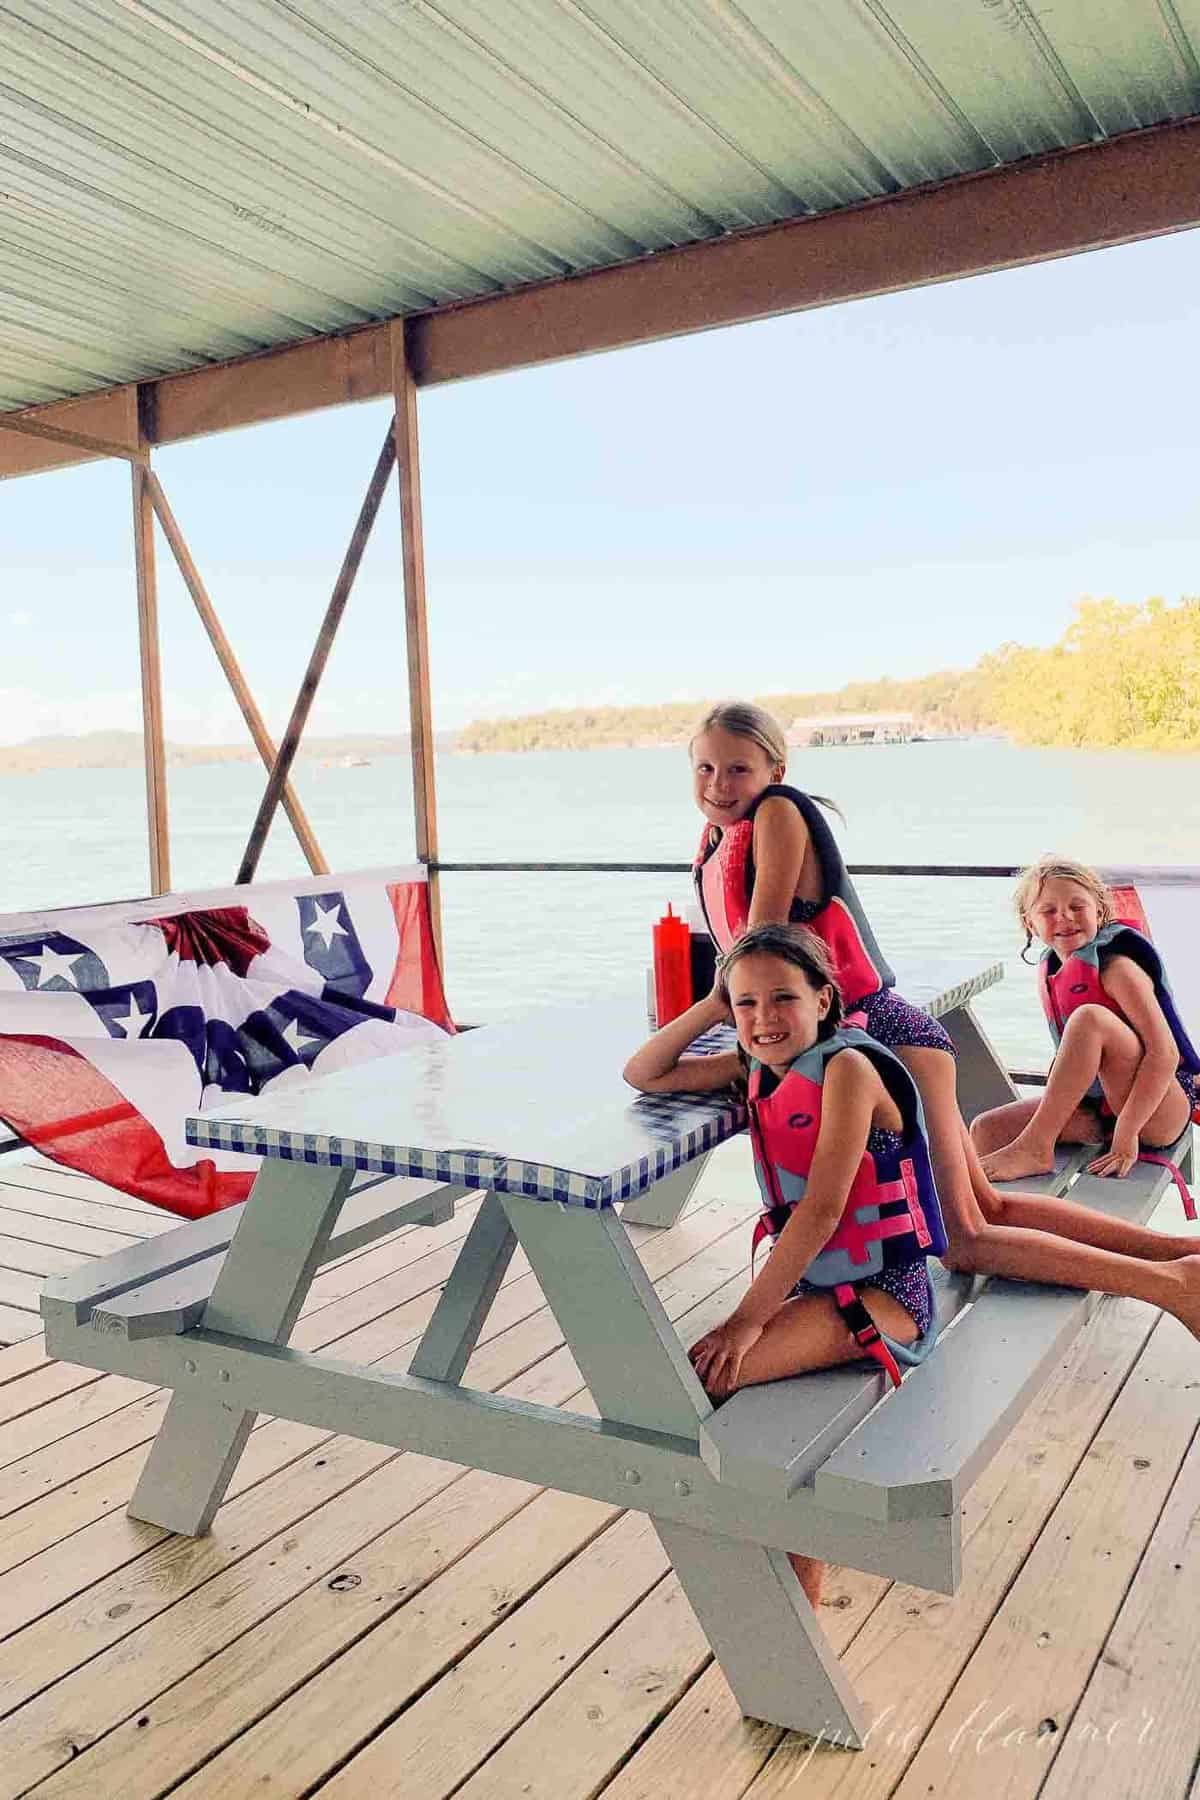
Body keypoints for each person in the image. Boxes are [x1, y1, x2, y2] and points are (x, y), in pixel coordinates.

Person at [683, 701, 1200, 1331]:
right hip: (892, 1035)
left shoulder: (780, 812)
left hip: (882, 1042)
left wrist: (724, 1039)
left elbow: (760, 943)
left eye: (738, 769)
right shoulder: (727, 834)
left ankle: (1170, 1286)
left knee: (964, 1236)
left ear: (776, 768)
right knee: (987, 1209)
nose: (718, 785)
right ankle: (1182, 1254)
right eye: (705, 768)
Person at [623, 922, 948, 1607]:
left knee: (703, 1378)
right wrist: (714, 1005)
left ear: (824, 1000)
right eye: (747, 1004)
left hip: (885, 1294)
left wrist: (746, 1322)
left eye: (783, 999)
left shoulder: (849, 1069)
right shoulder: (757, 1066)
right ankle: (785, 1583)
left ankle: (789, 1594)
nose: (764, 1019)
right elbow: (643, 1073)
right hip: (818, 1285)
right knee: (710, 1386)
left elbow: (824, 1213)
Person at [972, 857, 1199, 1183]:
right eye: (1048, 911)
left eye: (1077, 906)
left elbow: (1165, 1054)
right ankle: (1007, 1227)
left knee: (1089, 1018)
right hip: (1099, 1112)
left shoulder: (1117, 968)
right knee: (985, 1129)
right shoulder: (1056, 968)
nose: (1065, 918)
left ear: (1100, 912)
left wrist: (1127, 1133)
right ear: (1030, 924)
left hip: (1156, 1112)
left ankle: (1036, 1146)